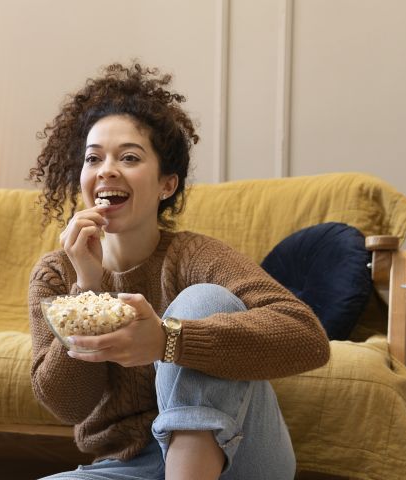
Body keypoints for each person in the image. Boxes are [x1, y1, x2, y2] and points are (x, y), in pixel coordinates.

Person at [26, 62, 330, 480]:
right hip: (128, 468)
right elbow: (68, 404)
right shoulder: (57, 273)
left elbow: (308, 338)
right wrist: (87, 291)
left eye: (129, 157)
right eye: (93, 158)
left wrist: (169, 341)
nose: (107, 169)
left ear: (167, 185)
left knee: (203, 300)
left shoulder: (194, 257)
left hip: (239, 455)